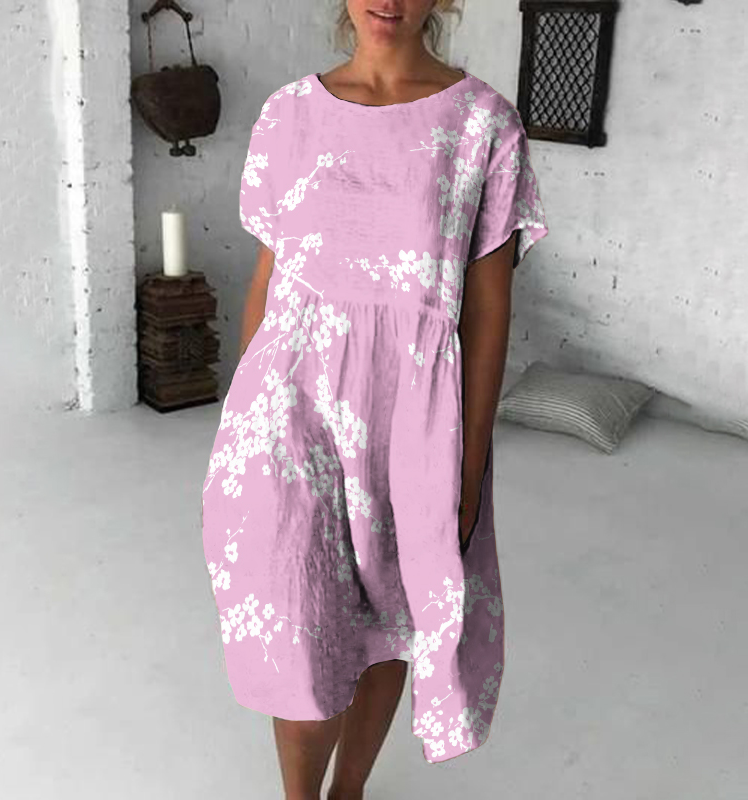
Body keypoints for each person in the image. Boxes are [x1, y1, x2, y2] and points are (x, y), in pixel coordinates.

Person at [201, 1, 549, 797]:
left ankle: (348, 790)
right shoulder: (287, 114)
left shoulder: (483, 125)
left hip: (411, 418)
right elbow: (269, 279)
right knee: (297, 621)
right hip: (286, 411)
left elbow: (488, 308)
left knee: (392, 617)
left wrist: (468, 465)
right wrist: (245, 416)